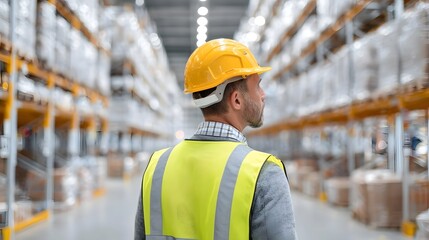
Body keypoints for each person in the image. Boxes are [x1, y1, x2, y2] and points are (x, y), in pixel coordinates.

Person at [135, 38, 297, 240]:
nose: (263, 95)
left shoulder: (157, 167)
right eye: (258, 86)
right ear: (236, 99)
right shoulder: (263, 173)